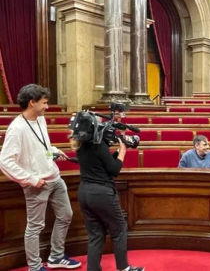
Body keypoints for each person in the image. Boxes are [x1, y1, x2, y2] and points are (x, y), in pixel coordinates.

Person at [0, 84, 81, 271]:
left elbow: (42, 147)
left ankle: (56, 256)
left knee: (66, 215)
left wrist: (53, 152)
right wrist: (31, 179)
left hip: (55, 178)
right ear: (31, 102)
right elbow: (5, 162)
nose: (47, 107)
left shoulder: (40, 119)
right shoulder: (17, 128)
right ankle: (35, 267)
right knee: (35, 227)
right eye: (44, 103)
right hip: (37, 184)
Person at [72, 128, 144, 271]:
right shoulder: (99, 145)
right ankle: (123, 268)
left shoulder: (81, 144)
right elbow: (114, 169)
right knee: (119, 230)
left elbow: (103, 163)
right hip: (101, 193)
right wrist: (123, 150)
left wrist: (118, 150)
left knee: (96, 234)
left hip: (84, 192)